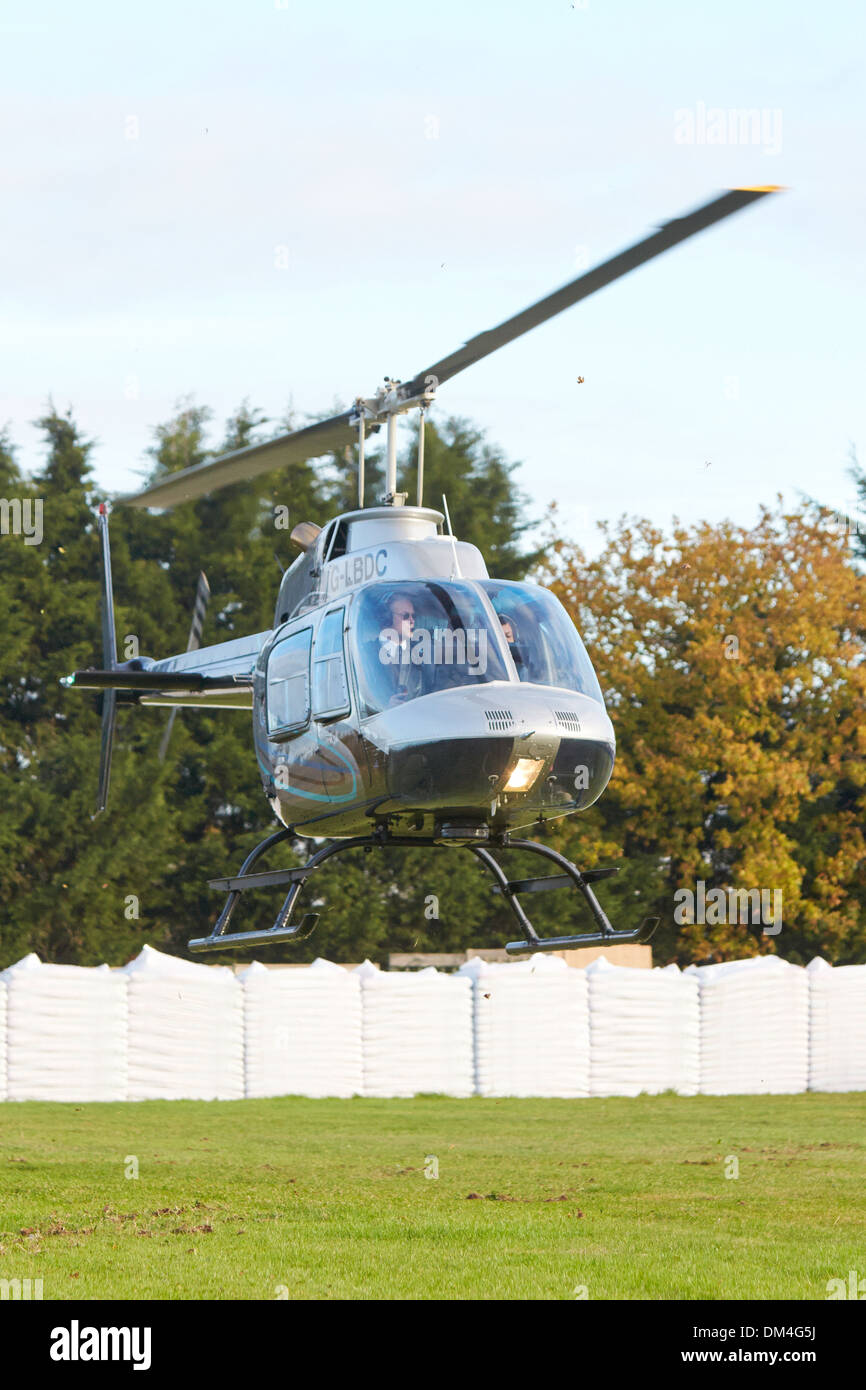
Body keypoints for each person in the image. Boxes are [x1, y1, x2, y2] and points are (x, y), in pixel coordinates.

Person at [379, 591, 425, 705]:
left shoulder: (421, 653)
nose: (412, 621)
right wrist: (385, 705)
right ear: (388, 618)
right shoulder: (367, 653)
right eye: (405, 616)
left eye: (413, 616)